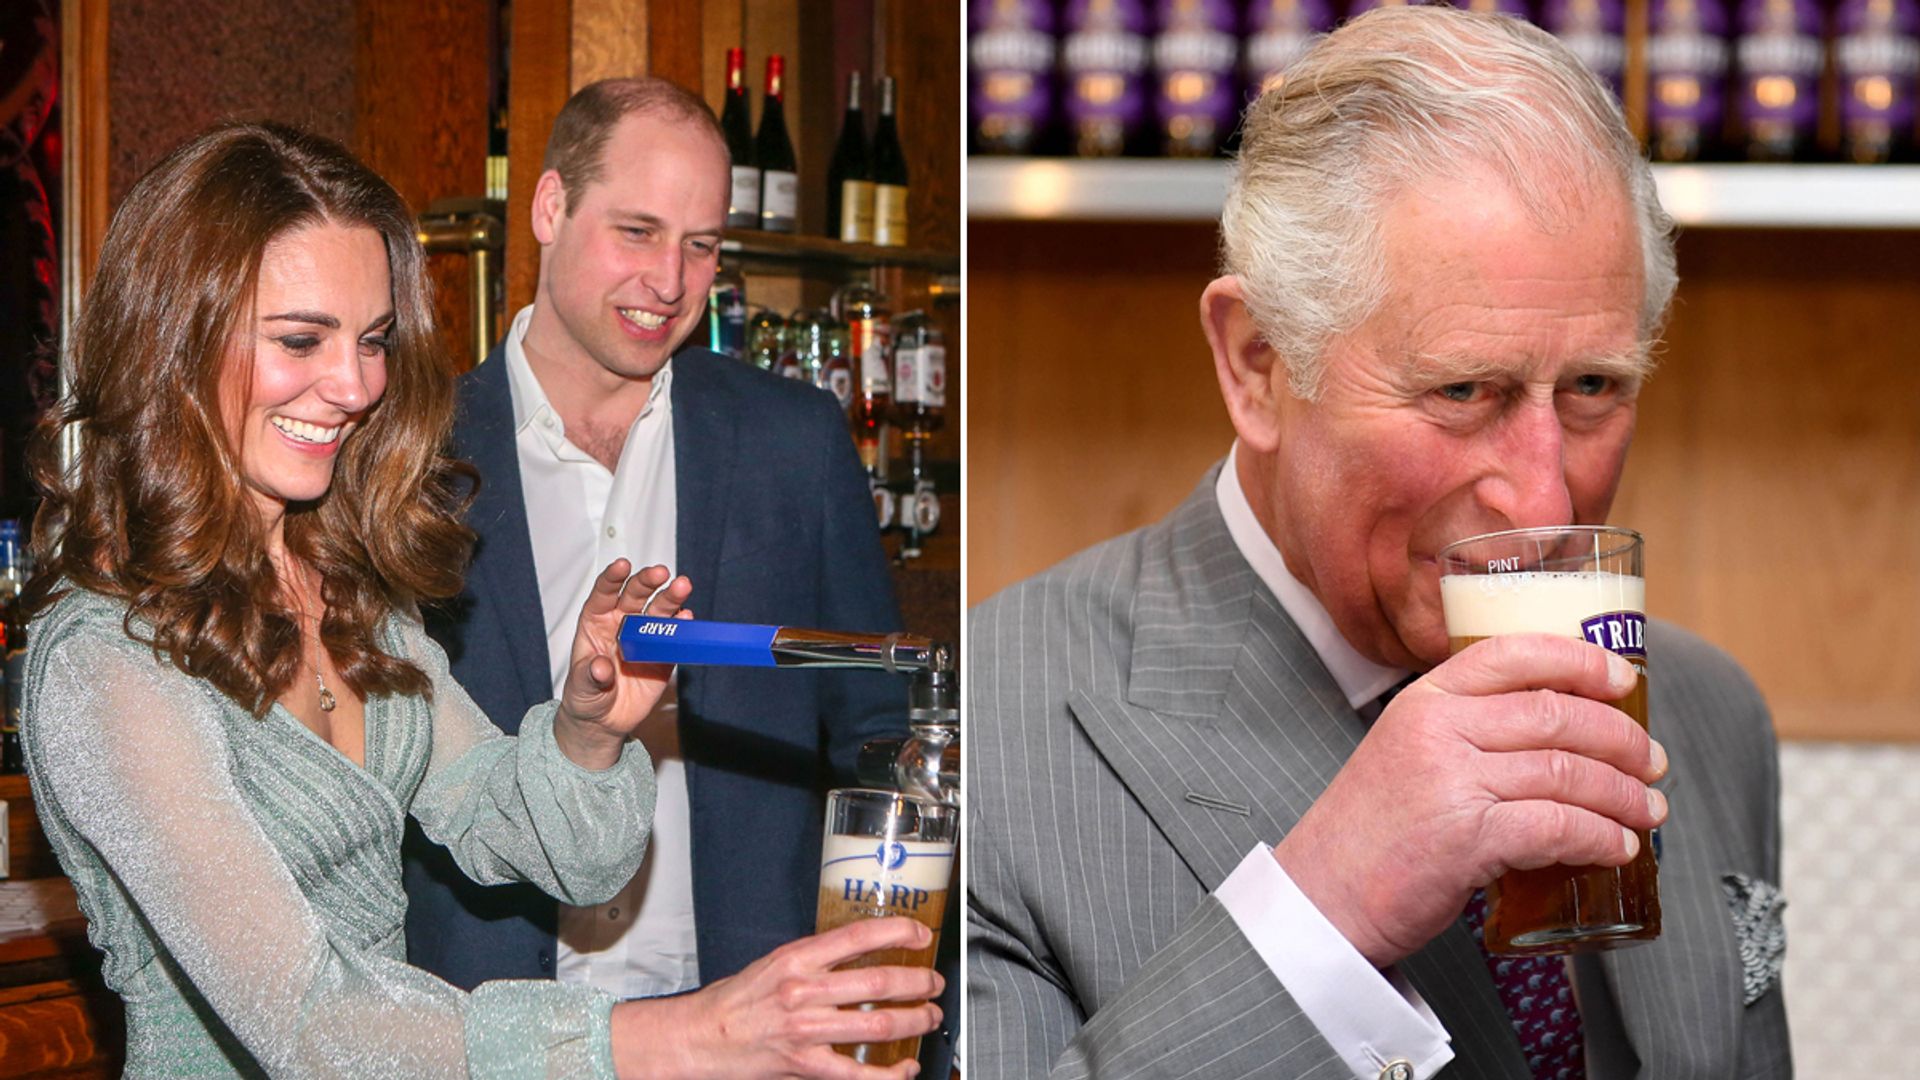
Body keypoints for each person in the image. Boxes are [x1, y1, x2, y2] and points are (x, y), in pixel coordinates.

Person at [967, 8, 1790, 1079]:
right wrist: (1321, 918)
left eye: (1592, 387)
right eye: (1462, 390)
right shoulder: (986, 740)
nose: (1545, 493)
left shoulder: (1710, 712)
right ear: (1259, 363)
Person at [19, 120, 938, 1078]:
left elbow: (535, 837)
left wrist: (588, 731)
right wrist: (697, 1034)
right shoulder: (101, 658)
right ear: (172, 337)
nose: (354, 385)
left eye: (373, 341)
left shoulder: (345, 593)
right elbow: (308, 1022)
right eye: (302, 339)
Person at [400, 77, 955, 1077]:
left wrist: (895, 1000)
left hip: (760, 1032)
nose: (670, 280)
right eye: (639, 232)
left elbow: (881, 741)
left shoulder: (792, 442)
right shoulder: (408, 460)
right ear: (550, 207)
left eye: (701, 245)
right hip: (500, 1039)